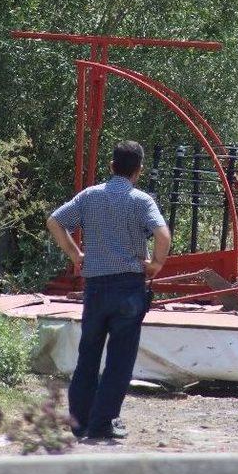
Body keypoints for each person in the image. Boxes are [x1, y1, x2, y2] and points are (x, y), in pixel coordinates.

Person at [46, 140, 171, 439]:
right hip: (128, 286)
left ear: (112, 166)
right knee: (119, 359)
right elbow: (162, 234)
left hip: (96, 286)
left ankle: (79, 422)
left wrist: (76, 255)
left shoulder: (90, 196)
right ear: (138, 171)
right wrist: (155, 264)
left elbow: (54, 221)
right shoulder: (142, 201)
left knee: (88, 353)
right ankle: (103, 424)